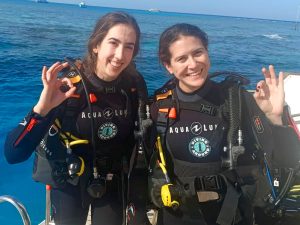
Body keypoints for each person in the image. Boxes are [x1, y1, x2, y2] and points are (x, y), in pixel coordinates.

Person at [4, 12, 150, 225]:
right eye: (113, 43)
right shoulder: (70, 87)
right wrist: (42, 109)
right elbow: (13, 153)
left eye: (129, 46)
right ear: (96, 45)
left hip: (113, 180)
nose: (120, 55)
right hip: (69, 184)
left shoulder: (133, 86)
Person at [148, 23, 300, 225]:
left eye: (198, 53)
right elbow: (150, 165)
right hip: (178, 214)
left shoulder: (235, 101)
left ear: (207, 53)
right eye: (181, 59)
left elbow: (286, 160)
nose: (193, 64)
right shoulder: (159, 108)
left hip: (232, 213)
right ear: (169, 66)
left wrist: (274, 116)